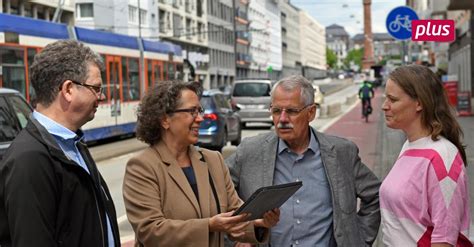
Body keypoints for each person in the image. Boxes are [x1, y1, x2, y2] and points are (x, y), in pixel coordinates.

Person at [226, 75, 381, 246]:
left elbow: (376, 196)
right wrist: (238, 237)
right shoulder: (250, 152)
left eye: (292, 111)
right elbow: (215, 196)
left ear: (311, 113)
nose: (282, 119)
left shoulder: (341, 153)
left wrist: (359, 241)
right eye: (276, 111)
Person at [122, 80, 280, 246]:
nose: (200, 118)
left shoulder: (213, 160)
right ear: (165, 120)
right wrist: (209, 226)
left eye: (200, 110)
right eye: (192, 111)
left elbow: (235, 213)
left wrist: (258, 224)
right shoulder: (142, 167)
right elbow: (150, 230)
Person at [0, 40, 120, 246]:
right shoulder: (29, 159)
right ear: (68, 89)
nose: (102, 96)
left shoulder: (72, 144)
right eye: (96, 88)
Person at [380, 65, 471, 246]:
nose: (384, 106)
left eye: (392, 99)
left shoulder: (442, 158)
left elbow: (444, 238)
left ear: (419, 103)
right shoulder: (409, 146)